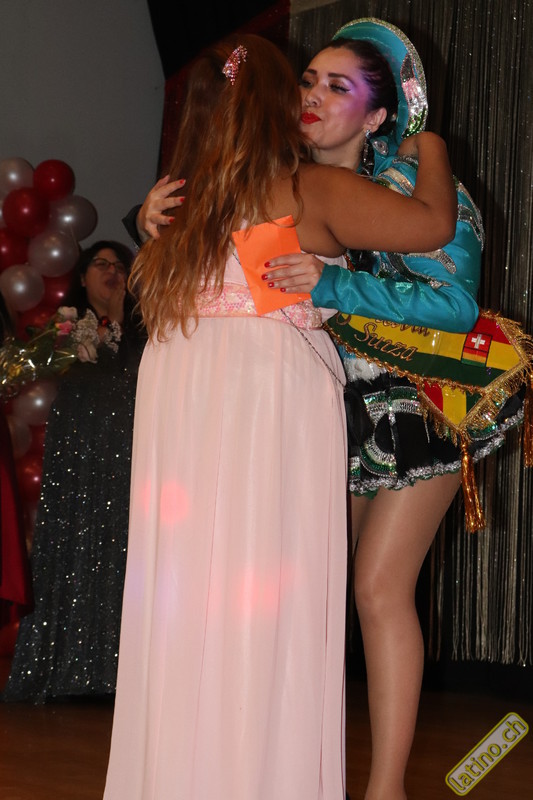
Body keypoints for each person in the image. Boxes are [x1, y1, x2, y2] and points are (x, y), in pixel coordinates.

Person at [131, 20, 530, 800]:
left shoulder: (414, 186)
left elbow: (452, 309)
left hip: (416, 402)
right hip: (323, 408)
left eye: (336, 87)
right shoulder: (281, 180)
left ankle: (384, 789)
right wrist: (151, 214)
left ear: (379, 116)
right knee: (303, 583)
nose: (312, 95)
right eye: (307, 80)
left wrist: (333, 282)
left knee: (377, 588)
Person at [2, 240, 145, 703]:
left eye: (118, 265)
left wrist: (123, 318)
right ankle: (64, 667)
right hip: (78, 448)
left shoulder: (146, 327)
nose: (111, 271)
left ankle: (118, 670)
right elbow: (27, 368)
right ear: (83, 277)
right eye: (100, 264)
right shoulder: (65, 326)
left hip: (128, 448)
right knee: (74, 539)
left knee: (123, 543)